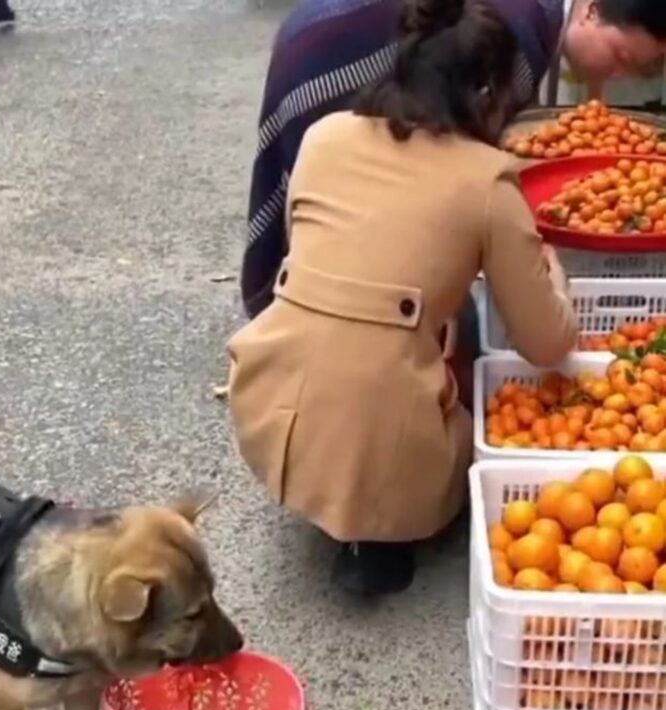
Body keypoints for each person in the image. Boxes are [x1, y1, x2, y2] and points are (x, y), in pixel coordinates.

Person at [227, 0, 579, 597]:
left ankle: (339, 494)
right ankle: (390, 518)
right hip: (386, 444)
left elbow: (317, 256)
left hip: (268, 415)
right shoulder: (486, 181)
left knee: (378, 324)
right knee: (462, 323)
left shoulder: (323, 136)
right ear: (486, 92)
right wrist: (556, 277)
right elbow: (547, 343)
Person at [242, 0, 666, 323]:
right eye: (621, 57)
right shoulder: (520, 39)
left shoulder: (541, 13)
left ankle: (302, 307)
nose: (618, 75)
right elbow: (455, 161)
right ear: (591, 13)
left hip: (317, 23)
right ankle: (302, 306)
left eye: (636, 70)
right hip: (328, 47)